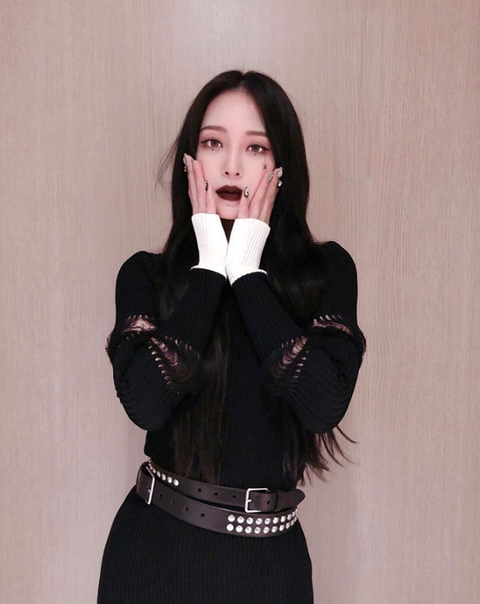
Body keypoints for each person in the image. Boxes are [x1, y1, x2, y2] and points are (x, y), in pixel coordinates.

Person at [97, 69, 367, 604]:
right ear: (190, 160)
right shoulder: (146, 276)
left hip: (270, 566)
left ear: (282, 167)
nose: (232, 165)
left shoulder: (326, 272)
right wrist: (209, 269)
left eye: (256, 147)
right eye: (213, 142)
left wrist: (246, 270)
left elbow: (323, 405)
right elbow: (146, 403)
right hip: (153, 556)